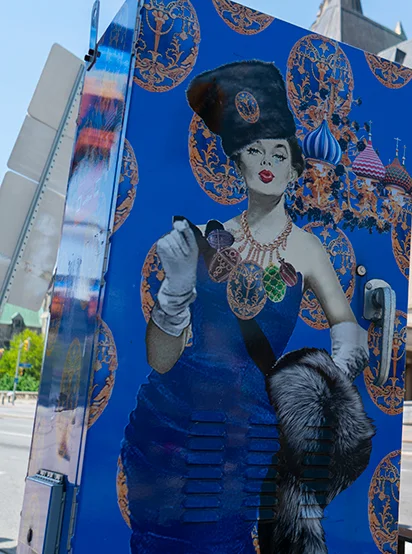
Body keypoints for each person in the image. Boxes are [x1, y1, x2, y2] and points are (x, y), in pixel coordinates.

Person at [120, 61, 375, 554]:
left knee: (222, 540)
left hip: (238, 438)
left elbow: (347, 326)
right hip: (166, 426)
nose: (267, 162)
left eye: (280, 153)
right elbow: (161, 359)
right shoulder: (206, 239)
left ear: (296, 168)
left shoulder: (306, 250)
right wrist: (175, 287)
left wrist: (327, 380)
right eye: (255, 150)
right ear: (237, 160)